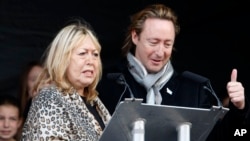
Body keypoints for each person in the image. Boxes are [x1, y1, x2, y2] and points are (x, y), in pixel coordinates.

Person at [97, 4, 249, 140]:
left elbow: (225, 136)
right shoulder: (107, 84)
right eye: (154, 42)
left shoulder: (195, 89)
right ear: (135, 36)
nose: (160, 52)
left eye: (167, 44)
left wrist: (239, 109)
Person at [21, 19, 111, 140]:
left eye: (95, 54)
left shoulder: (94, 102)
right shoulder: (49, 98)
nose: (91, 61)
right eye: (83, 53)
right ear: (62, 58)